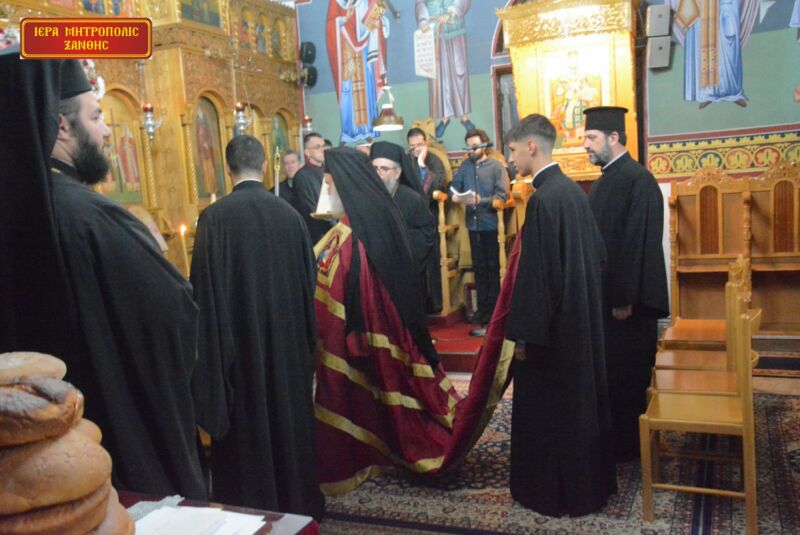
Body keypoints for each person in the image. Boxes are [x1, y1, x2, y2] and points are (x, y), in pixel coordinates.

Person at [0, 53, 206, 499]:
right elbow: (174, 313)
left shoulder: (17, 211)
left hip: (25, 460)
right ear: (61, 126)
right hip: (111, 440)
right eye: (96, 117)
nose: (109, 131)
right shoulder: (92, 217)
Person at [190, 135, 324, 518]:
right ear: (265, 166)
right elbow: (309, 285)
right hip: (286, 347)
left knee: (247, 427)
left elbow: (202, 295)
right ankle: (297, 503)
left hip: (240, 350)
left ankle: (249, 508)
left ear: (227, 169)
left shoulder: (214, 219)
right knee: (288, 422)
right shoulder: (290, 216)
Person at [313, 148, 455, 493]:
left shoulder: (354, 232)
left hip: (366, 331)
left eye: (329, 185)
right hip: (374, 328)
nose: (326, 192)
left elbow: (351, 284)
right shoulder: (358, 223)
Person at [504, 113, 616, 517]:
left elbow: (538, 278)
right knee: (579, 409)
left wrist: (524, 337)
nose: (511, 158)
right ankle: (587, 489)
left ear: (531, 146)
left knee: (551, 414)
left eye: (513, 150)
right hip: (579, 322)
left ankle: (550, 493)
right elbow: (599, 257)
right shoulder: (572, 193)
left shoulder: (543, 201)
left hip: (552, 334)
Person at [583, 106, 669, 462]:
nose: (585, 145)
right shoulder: (604, 182)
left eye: (591, 138)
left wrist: (623, 298)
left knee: (628, 377)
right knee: (610, 376)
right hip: (607, 301)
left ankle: (631, 450)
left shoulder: (638, 180)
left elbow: (638, 244)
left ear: (614, 137)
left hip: (628, 306)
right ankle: (614, 443)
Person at [450, 129, 507, 335]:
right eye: (468, 147)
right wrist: (455, 195)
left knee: (492, 268)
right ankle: (482, 311)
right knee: (479, 268)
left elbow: (501, 195)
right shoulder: (466, 166)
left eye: (474, 146)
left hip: (491, 225)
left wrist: (481, 200)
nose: (471, 150)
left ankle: (494, 312)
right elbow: (454, 186)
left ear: (484, 145)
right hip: (473, 226)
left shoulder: (496, 166)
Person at [369, 141, 437, 314]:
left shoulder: (412, 199)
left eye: (384, 169)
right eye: (374, 169)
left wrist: (400, 245)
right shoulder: (367, 199)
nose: (378, 174)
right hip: (374, 272)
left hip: (405, 272)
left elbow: (427, 232)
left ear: (398, 172)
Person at [670, 0, 758, 108]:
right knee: (707, 44)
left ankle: (733, 92)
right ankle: (708, 93)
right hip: (706, 8)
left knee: (729, 43)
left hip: (727, 6)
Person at [415, 0, 475, 139]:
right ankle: (445, 118)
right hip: (434, 32)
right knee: (439, 77)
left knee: (459, 73)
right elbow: (420, 3)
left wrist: (451, 12)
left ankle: (463, 116)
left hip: (454, 29)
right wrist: (423, 20)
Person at [407, 127, 447, 313]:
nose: (416, 149)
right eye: (413, 146)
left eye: (420, 145)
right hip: (410, 217)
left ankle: (435, 303)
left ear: (426, 143)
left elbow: (437, 185)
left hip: (430, 214)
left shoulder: (434, 160)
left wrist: (422, 165)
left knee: (432, 260)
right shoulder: (406, 161)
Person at [294, 132, 334, 244]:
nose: (323, 150)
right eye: (318, 147)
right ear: (307, 152)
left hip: (336, 230)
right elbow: (310, 209)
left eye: (324, 146)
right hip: (317, 236)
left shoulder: (331, 171)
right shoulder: (302, 176)